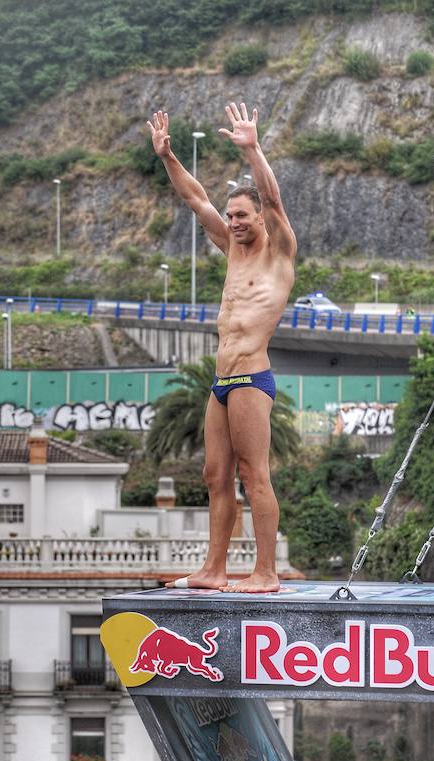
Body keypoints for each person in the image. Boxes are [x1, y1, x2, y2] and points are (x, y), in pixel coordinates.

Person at [147, 102, 297, 593]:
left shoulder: (278, 252)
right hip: (221, 383)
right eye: (230, 214)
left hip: (253, 379)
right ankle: (213, 570)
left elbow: (274, 198)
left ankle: (266, 572)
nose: (233, 222)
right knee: (216, 476)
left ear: (260, 218)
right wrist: (167, 156)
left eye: (242, 214)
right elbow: (195, 198)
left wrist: (253, 149)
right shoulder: (230, 248)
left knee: (256, 476)